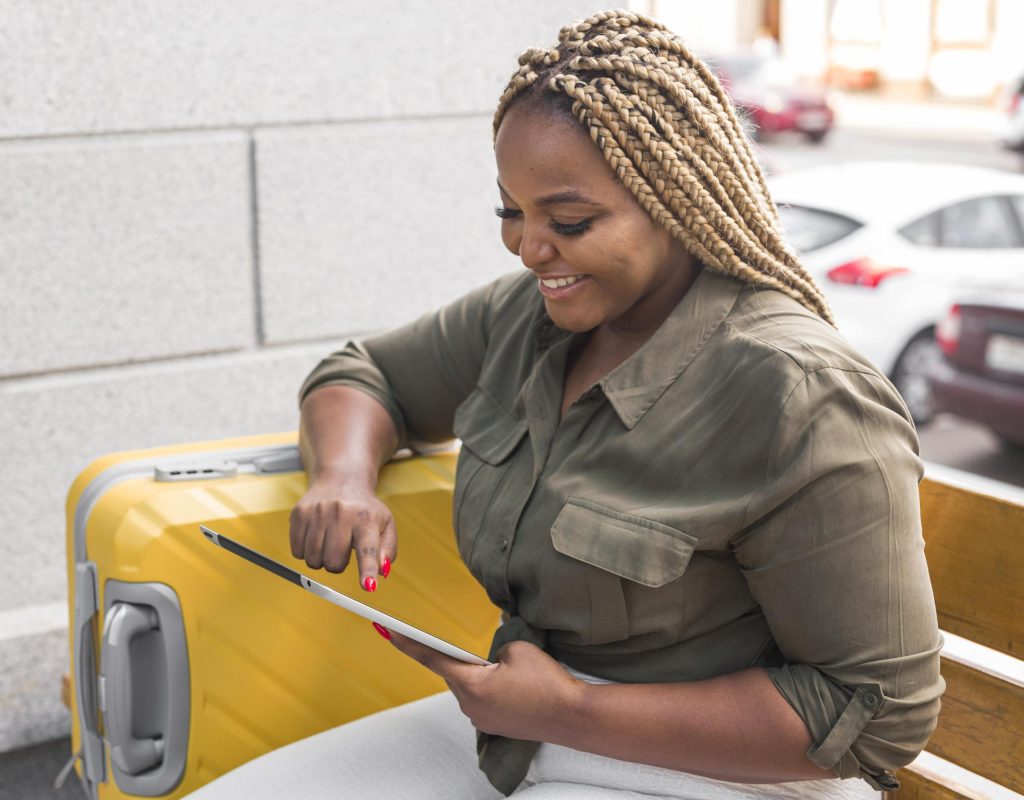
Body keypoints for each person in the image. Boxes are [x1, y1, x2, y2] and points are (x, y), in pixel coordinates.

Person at [186, 10, 943, 800]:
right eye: (512, 210)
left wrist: (574, 708)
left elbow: (874, 712)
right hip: (524, 722)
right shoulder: (530, 319)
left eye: (569, 221)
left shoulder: (801, 394)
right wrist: (341, 477)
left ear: (677, 200)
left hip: (728, 771)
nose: (528, 248)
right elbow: (364, 372)